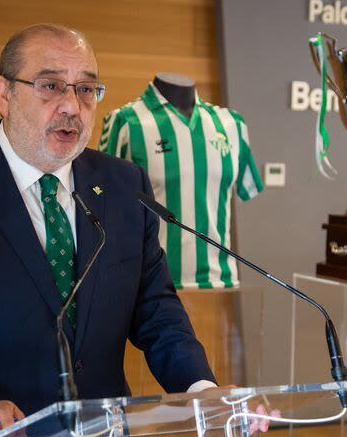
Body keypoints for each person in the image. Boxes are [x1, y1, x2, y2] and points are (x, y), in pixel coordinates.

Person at [0, 24, 218, 437]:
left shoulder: (125, 187)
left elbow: (156, 311)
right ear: (4, 94)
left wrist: (202, 390)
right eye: (50, 86)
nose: (71, 106)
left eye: (86, 90)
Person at [99, 74, 264, 289]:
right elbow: (104, 206)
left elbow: (246, 188)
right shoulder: (125, 121)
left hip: (220, 283)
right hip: (150, 284)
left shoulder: (232, 124)